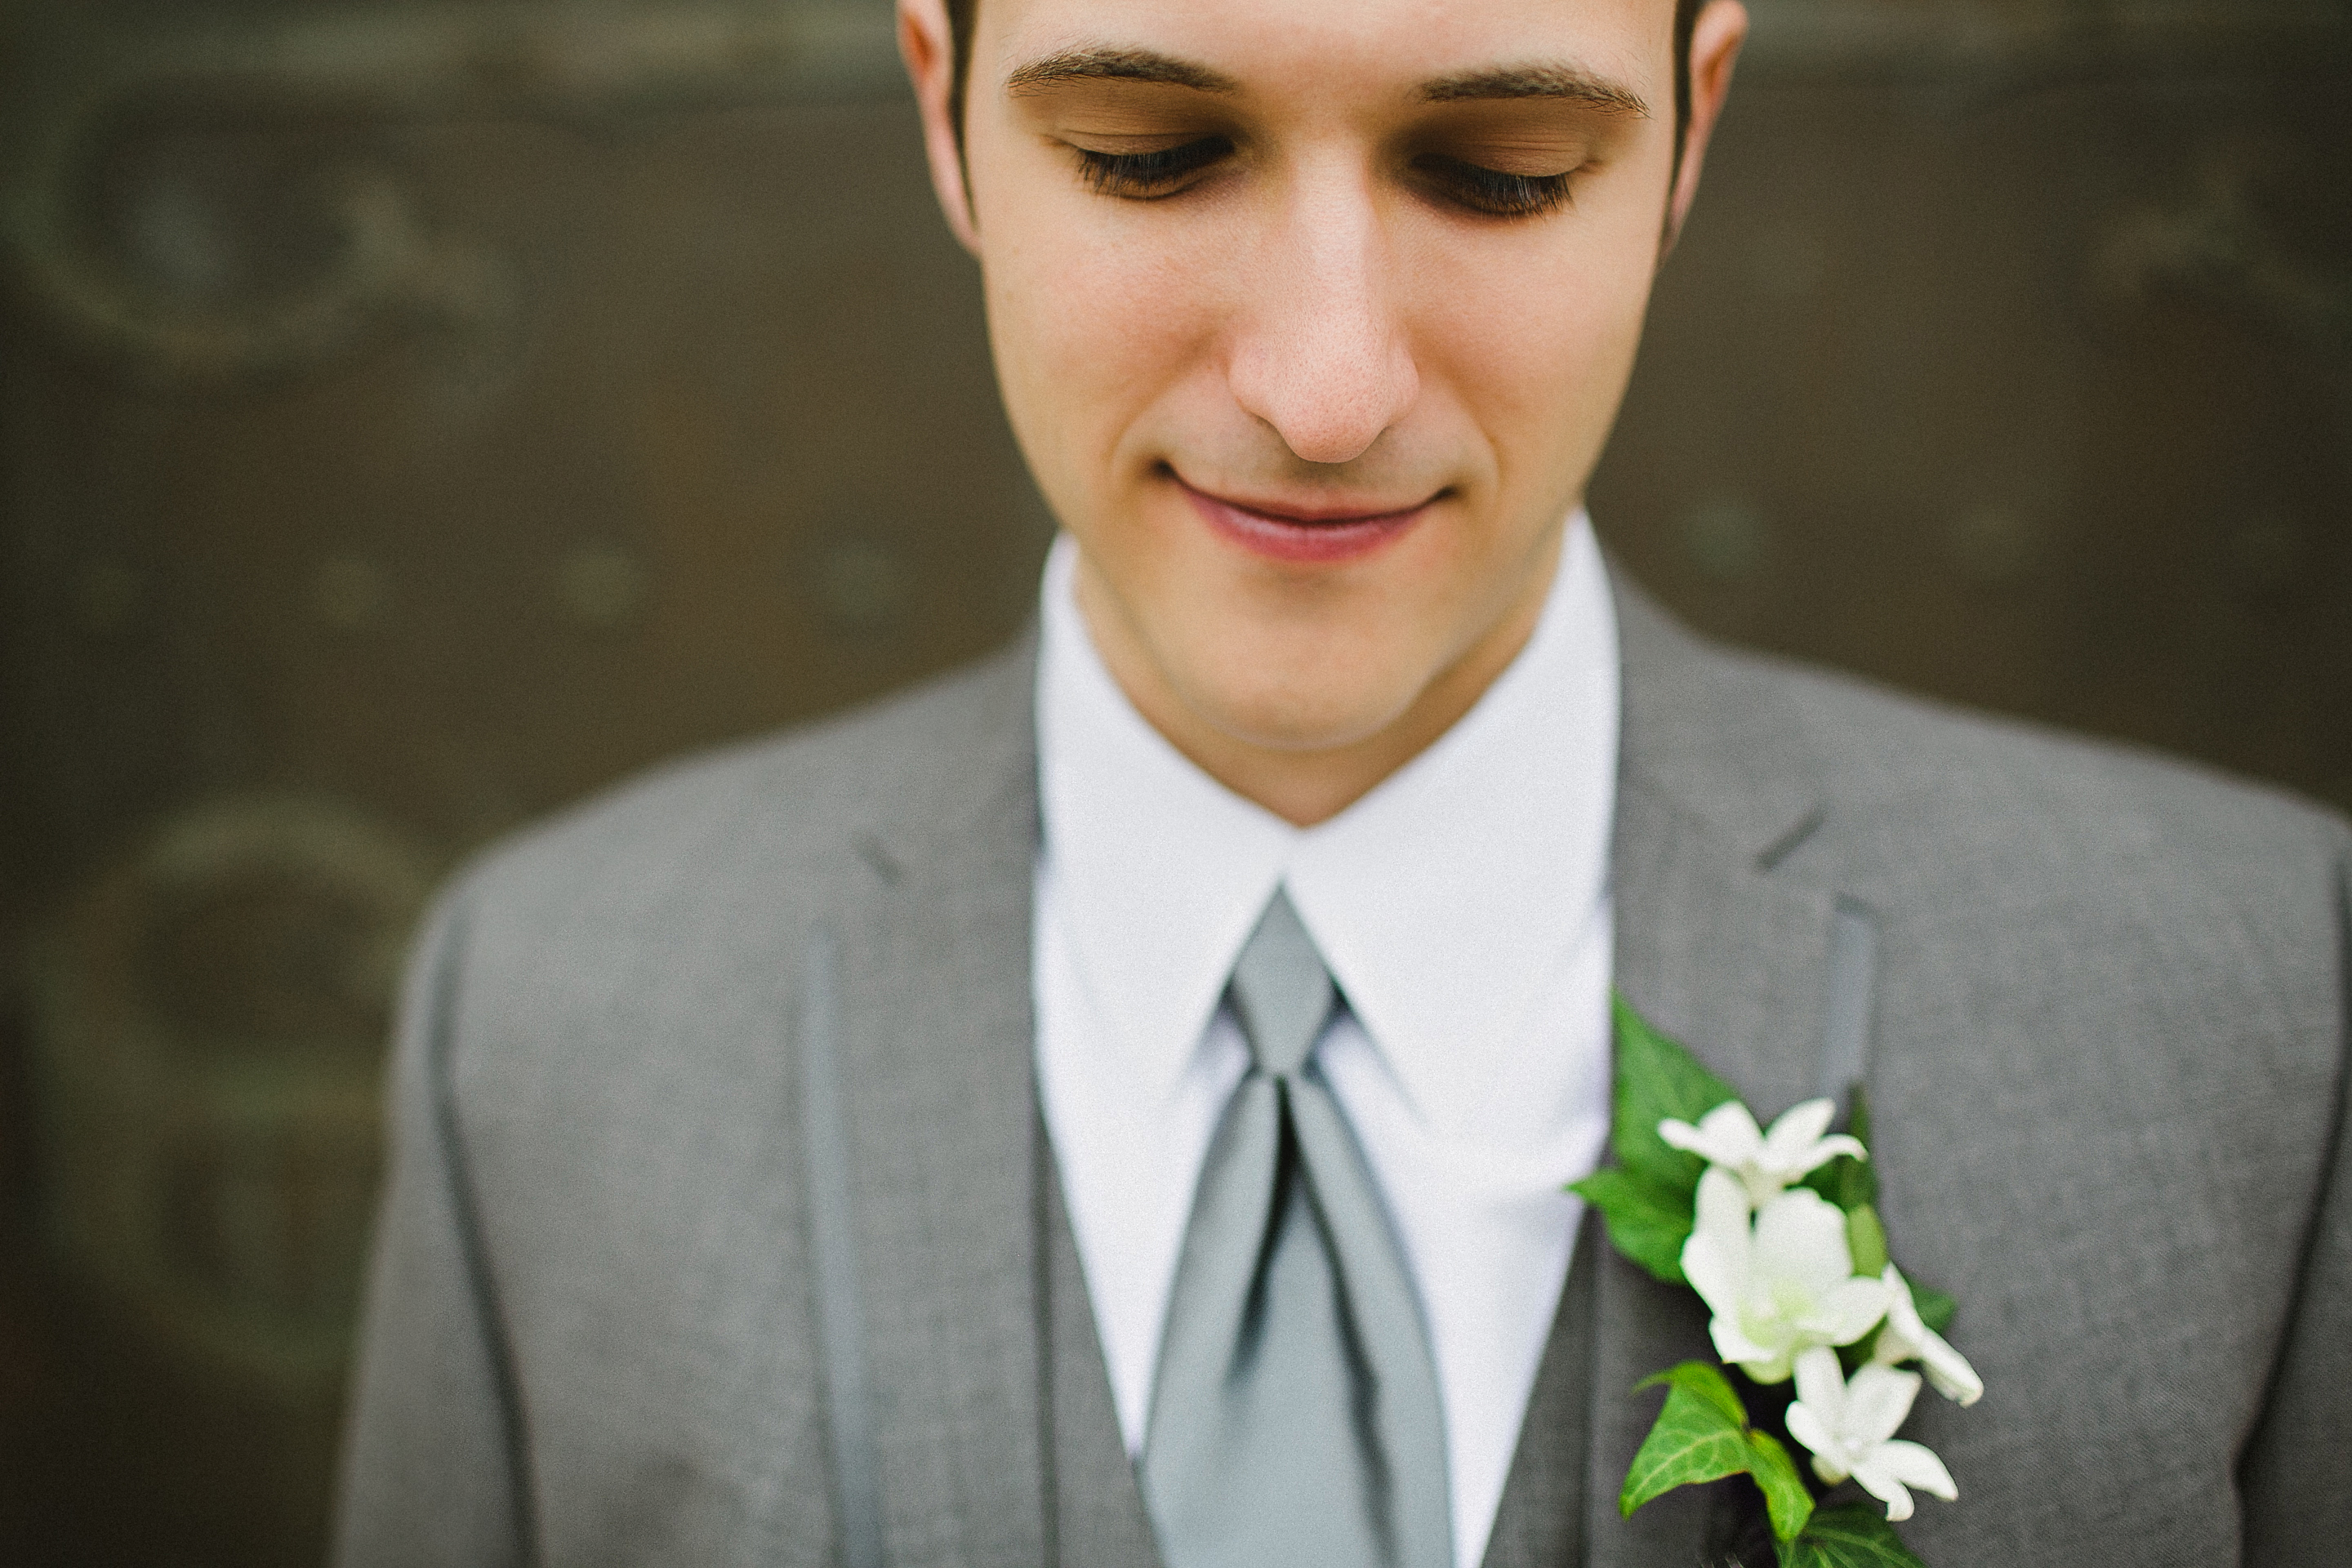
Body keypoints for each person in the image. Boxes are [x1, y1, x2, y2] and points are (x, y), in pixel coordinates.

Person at [332, 0, 2351, 1563]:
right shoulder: (543, 1020)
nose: (1325, 388)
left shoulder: (2260, 999)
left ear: (1693, 126)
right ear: (940, 100)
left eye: (1498, 169)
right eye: (1150, 153)